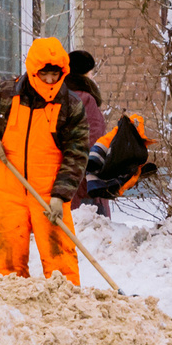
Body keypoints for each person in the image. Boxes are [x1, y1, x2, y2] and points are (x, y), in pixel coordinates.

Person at [0, 37, 89, 286]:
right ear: (33, 70)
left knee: (61, 265)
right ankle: (14, 312)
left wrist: (60, 195)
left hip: (48, 193)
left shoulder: (70, 105)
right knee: (8, 266)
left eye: (56, 75)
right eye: (45, 75)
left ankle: (68, 311)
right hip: (8, 191)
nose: (50, 81)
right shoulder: (4, 93)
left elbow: (76, 153)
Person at [64, 49, 111, 218]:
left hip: (63, 176)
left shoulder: (60, 96)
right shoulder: (85, 98)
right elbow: (94, 140)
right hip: (84, 178)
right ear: (85, 74)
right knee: (89, 227)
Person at [85, 114, 157, 200]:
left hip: (106, 174)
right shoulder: (122, 139)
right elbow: (101, 146)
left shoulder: (134, 145)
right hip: (103, 173)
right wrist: (93, 160)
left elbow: (100, 146)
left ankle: (110, 187)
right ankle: (110, 187)